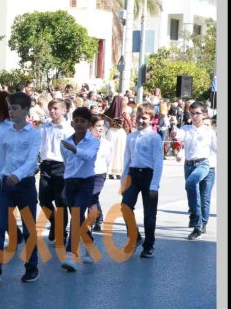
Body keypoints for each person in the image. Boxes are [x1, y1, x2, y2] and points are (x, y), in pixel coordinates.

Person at [0, 92, 41, 283]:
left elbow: (32, 161)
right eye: (10, 108)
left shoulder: (34, 134)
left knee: (28, 228)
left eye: (15, 108)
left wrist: (18, 175)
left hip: (25, 185)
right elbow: (2, 158)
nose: (11, 112)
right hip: (6, 185)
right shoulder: (5, 133)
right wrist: (2, 176)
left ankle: (32, 267)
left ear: (26, 110)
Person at [120, 103, 164, 258]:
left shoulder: (154, 137)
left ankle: (149, 245)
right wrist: (123, 181)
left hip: (148, 176)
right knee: (125, 206)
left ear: (151, 119)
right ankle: (135, 237)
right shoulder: (131, 137)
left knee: (149, 214)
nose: (140, 120)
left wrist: (154, 185)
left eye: (144, 118)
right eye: (138, 117)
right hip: (133, 175)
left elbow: (158, 161)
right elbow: (127, 160)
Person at [60, 107, 100, 271]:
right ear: (72, 123)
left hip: (86, 182)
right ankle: (90, 244)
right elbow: (67, 163)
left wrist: (74, 149)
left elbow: (89, 157)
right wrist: (65, 184)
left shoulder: (94, 142)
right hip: (70, 182)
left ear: (89, 124)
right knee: (78, 218)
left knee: (76, 216)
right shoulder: (66, 142)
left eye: (83, 121)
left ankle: (71, 255)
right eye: (76, 121)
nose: (79, 124)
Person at [171, 101, 217, 240]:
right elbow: (178, 136)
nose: (194, 116)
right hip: (189, 165)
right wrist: (174, 132)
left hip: (204, 164)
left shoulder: (209, 132)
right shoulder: (186, 129)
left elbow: (217, 149)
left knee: (203, 196)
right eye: (192, 113)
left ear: (204, 115)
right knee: (192, 190)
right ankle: (197, 220)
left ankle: (199, 224)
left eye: (197, 113)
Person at [39, 99, 75, 245]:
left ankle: (61, 233)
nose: (52, 111)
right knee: (43, 200)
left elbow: (71, 152)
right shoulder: (44, 127)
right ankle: (55, 223)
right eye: (50, 108)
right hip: (46, 165)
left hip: (61, 166)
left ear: (64, 111)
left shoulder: (68, 130)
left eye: (55, 108)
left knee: (61, 201)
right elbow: (37, 145)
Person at [88, 115, 111, 232]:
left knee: (91, 196)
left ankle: (90, 222)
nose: (101, 128)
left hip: (100, 173)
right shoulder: (84, 141)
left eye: (102, 125)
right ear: (91, 127)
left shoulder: (106, 143)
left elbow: (108, 160)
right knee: (93, 197)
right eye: (98, 126)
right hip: (87, 173)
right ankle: (99, 218)